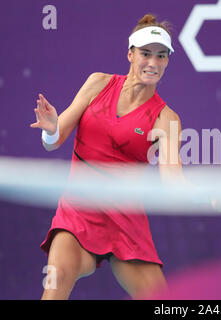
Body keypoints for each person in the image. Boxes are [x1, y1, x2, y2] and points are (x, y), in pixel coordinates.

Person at [30, 14, 184, 300]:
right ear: (130, 54)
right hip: (78, 212)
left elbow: (173, 179)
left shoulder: (166, 119)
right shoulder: (98, 84)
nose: (153, 62)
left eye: (161, 56)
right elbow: (55, 139)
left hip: (126, 220)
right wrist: (51, 131)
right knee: (55, 281)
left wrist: (208, 194)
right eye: (146, 54)